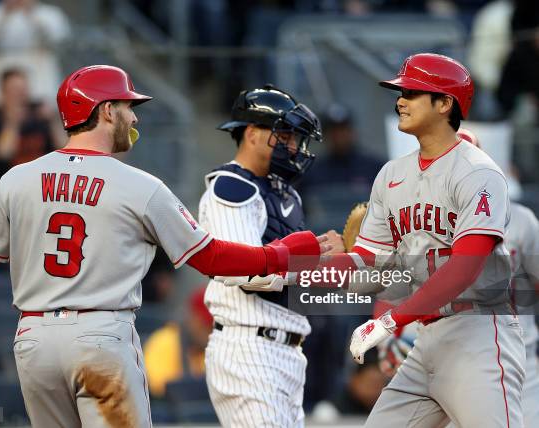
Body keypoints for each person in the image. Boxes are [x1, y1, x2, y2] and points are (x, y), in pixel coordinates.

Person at [0, 65, 326, 428]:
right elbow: (211, 258)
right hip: (100, 336)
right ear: (106, 110)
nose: (134, 118)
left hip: (34, 340)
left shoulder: (17, 179)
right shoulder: (140, 186)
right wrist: (281, 253)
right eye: (128, 107)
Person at [344, 53, 525, 427]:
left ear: (445, 104)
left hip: (477, 335)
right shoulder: (392, 173)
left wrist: (392, 321)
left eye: (412, 92)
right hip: (425, 339)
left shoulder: (478, 171)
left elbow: (464, 268)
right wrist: (291, 272)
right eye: (401, 92)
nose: (400, 100)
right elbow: (366, 262)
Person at [198, 85, 340, 427]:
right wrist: (313, 260)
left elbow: (295, 283)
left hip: (287, 351)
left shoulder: (286, 193)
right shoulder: (230, 188)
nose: (293, 145)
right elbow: (245, 274)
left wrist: (335, 262)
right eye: (285, 134)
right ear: (251, 133)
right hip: (248, 347)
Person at [377, 128, 539, 427]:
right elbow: (392, 287)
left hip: (502, 347)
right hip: (431, 344)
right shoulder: (418, 222)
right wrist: (387, 340)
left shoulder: (518, 218)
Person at [0, 68, 64, 193]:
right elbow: (2, 155)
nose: (20, 96)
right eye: (14, 91)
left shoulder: (39, 115)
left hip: (42, 190)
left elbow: (64, 149)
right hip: (6, 192)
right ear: (3, 93)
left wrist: (53, 121)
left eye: (23, 90)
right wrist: (12, 124)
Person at [0, 0, 71, 106]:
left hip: (39, 68)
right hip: (0, 66)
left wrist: (30, 14)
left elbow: (58, 40)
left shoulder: (51, 14)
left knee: (41, 109)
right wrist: (5, 15)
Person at [143, 286, 213, 398]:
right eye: (207, 325)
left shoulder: (216, 347)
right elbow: (160, 390)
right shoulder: (165, 341)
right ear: (193, 319)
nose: (211, 332)